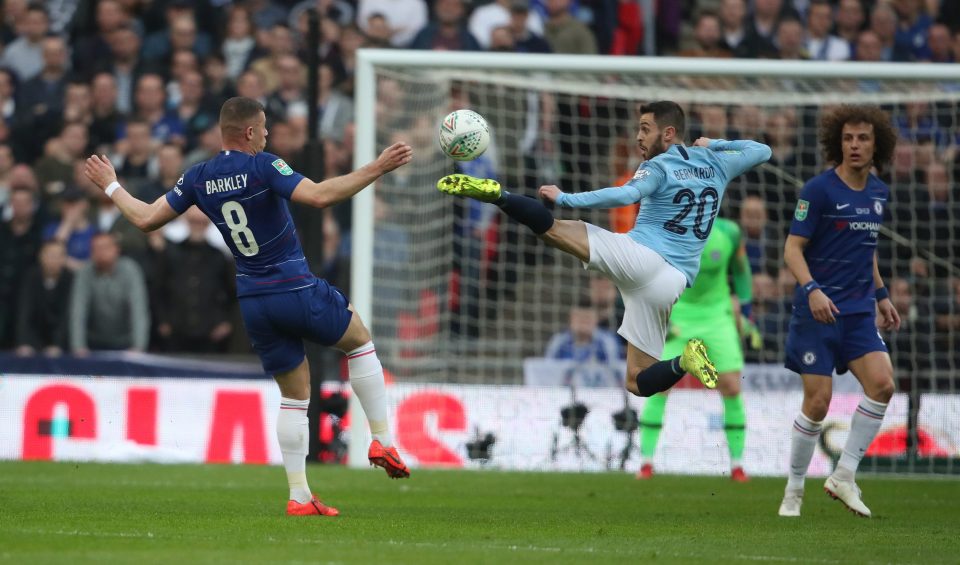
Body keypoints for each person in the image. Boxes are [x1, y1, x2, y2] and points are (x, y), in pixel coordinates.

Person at [84, 96, 413, 517]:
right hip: (294, 287)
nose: (268, 136)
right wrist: (377, 168)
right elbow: (318, 196)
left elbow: (147, 218)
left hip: (254, 301)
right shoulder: (263, 166)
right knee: (360, 341)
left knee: (295, 397)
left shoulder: (198, 176)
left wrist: (111, 184)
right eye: (264, 129)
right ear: (251, 132)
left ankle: (298, 496)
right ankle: (382, 437)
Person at [437, 100, 771, 400]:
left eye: (645, 129)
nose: (638, 137)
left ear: (668, 133)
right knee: (638, 383)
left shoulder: (659, 166)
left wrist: (566, 198)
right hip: (672, 282)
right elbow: (761, 151)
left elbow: (626, 195)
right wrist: (716, 144)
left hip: (639, 256)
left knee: (554, 229)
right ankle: (685, 360)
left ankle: (500, 197)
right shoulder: (716, 163)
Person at [777, 105, 900, 519]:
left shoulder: (879, 192)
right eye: (848, 138)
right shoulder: (819, 190)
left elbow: (866, 252)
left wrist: (882, 295)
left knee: (882, 385)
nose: (854, 145)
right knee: (819, 401)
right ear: (838, 142)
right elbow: (792, 249)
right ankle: (794, 490)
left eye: (863, 138)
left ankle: (844, 474)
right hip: (818, 313)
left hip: (859, 311)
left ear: (875, 144)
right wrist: (811, 290)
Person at [638, 217, 753, 482]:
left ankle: (737, 465)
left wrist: (745, 311)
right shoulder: (665, 229)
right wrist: (660, 317)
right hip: (679, 315)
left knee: (732, 386)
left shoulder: (730, 231)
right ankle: (645, 463)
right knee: (658, 384)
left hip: (717, 315)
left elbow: (741, 269)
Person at [69, 233, 150, 355]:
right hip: (94, 343)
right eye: (96, 248)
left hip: (126, 342)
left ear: (117, 249)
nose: (101, 252)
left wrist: (138, 347)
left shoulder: (130, 270)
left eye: (105, 247)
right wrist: (78, 347)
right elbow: (78, 311)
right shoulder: (84, 272)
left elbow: (139, 311)